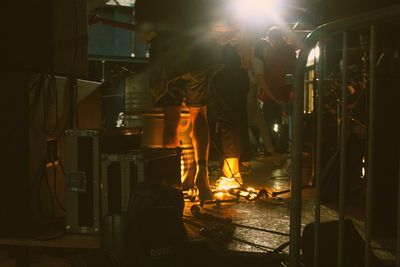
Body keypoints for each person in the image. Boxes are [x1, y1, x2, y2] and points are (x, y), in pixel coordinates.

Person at [135, 0, 223, 200]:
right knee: (199, 115)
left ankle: (172, 179)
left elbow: (143, 34)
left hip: (168, 58)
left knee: (171, 122)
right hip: (200, 55)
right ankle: (202, 175)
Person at [210, 44, 251, 188]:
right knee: (238, 138)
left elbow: (213, 94)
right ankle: (234, 174)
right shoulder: (243, 74)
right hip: (240, 112)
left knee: (228, 141)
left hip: (225, 113)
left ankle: (230, 177)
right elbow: (246, 90)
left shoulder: (218, 76)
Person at [247, 39, 284, 163]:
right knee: (259, 123)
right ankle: (270, 152)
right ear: (261, 50)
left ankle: (269, 151)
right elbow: (262, 83)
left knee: (260, 123)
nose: (268, 53)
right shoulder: (258, 62)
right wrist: (274, 98)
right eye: (267, 50)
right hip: (250, 95)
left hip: (249, 94)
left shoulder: (254, 61)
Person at [262, 26, 297, 153]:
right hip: (279, 91)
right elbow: (293, 70)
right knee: (282, 122)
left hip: (275, 91)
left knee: (271, 121)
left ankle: (273, 148)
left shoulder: (269, 51)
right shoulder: (288, 51)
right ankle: (280, 148)